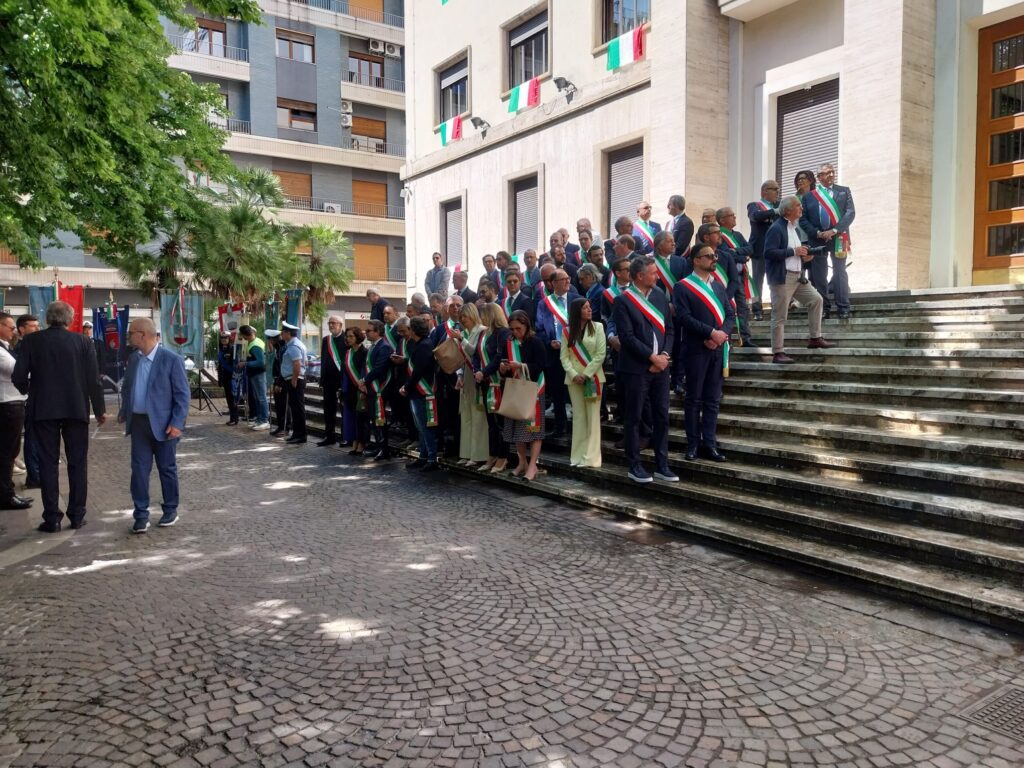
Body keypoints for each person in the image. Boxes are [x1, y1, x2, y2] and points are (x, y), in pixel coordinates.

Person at [12, 301, 105, 532]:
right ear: (70, 320)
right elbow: (93, 378)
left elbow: (19, 375)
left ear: (47, 319)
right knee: (77, 463)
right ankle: (76, 515)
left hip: (43, 408)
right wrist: (99, 409)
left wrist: (29, 391)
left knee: (48, 463)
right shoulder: (83, 341)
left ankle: (52, 517)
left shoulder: (31, 341)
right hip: (76, 408)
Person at [118, 318, 189, 533]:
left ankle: (170, 509)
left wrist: (177, 423)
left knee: (167, 469)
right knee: (139, 471)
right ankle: (141, 514)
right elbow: (128, 388)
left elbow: (183, 395)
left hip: (165, 425)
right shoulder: (134, 359)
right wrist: (124, 411)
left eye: (131, 333)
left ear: (143, 334)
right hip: (139, 424)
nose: (128, 337)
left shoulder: (171, 360)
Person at [611, 257, 676, 484]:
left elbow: (669, 330)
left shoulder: (659, 296)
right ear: (640, 276)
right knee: (634, 417)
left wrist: (664, 356)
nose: (657, 276)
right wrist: (651, 357)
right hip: (636, 368)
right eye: (653, 273)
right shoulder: (623, 301)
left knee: (661, 417)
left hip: (661, 368)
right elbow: (626, 338)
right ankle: (635, 465)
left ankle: (662, 464)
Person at [673, 244, 735, 462]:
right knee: (693, 399)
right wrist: (710, 333)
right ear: (696, 260)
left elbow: (730, 314)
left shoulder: (718, 286)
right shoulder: (682, 287)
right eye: (709, 256)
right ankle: (693, 444)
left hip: (717, 349)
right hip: (696, 349)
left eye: (714, 255)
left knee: (712, 400)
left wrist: (721, 335)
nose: (713, 258)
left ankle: (709, 444)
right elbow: (684, 317)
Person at [764, 196, 836, 363]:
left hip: (798, 277)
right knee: (780, 315)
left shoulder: (794, 229)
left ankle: (815, 338)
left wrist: (805, 256)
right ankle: (778, 352)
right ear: (788, 210)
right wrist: (794, 252)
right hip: (783, 278)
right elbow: (769, 253)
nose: (801, 209)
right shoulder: (776, 228)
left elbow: (795, 253)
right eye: (798, 206)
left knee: (816, 300)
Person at [800, 162, 855, 319]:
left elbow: (850, 213)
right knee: (819, 274)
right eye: (827, 173)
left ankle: (843, 306)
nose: (831, 174)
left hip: (839, 237)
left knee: (840, 272)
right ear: (819, 177)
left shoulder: (844, 192)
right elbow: (803, 220)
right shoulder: (809, 197)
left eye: (832, 172)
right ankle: (824, 307)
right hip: (817, 239)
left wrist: (834, 230)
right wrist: (817, 233)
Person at [500, 310, 548, 481]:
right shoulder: (509, 343)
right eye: (512, 329)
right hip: (516, 389)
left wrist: (520, 366)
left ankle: (533, 465)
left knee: (533, 430)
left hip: (533, 389)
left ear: (526, 326)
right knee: (517, 430)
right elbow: (504, 362)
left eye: (518, 328)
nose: (515, 332)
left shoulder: (536, 342)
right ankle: (522, 462)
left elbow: (541, 365)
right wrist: (504, 368)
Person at [560, 298, 606, 468]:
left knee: (593, 418)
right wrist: (573, 374)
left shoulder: (598, 327)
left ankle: (591, 458)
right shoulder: (566, 331)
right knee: (578, 417)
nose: (589, 310)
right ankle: (577, 456)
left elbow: (600, 354)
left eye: (589, 307)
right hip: (574, 380)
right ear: (577, 310)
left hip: (593, 378)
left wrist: (586, 374)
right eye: (585, 307)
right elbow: (564, 357)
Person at [534, 268, 579, 439]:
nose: (568, 281)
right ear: (553, 284)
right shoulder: (544, 303)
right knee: (558, 393)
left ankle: (578, 429)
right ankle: (561, 427)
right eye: (563, 279)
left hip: (575, 352)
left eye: (568, 278)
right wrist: (548, 342)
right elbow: (539, 328)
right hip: (554, 353)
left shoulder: (576, 299)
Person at [472, 303, 510, 473]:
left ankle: (503, 456)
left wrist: (484, 372)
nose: (480, 318)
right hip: (486, 383)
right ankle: (493, 453)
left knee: (500, 422)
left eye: (483, 315)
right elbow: (476, 355)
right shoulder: (483, 333)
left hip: (498, 383)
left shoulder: (503, 333)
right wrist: (477, 371)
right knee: (491, 423)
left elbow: (499, 356)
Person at [401, 315, 441, 472]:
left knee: (426, 427)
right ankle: (423, 456)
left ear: (414, 330)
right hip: (416, 392)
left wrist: (407, 386)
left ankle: (432, 458)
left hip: (422, 391)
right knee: (421, 427)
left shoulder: (425, 345)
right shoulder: (418, 343)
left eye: (409, 328)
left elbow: (418, 371)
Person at [0, 312, 31, 511]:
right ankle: (5, 495)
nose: (13, 332)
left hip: (12, 403)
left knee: (9, 452)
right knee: (6, 453)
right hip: (8, 404)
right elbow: (19, 371)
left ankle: (7, 491)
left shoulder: (6, 348)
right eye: (10, 328)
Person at [456, 303, 488, 468]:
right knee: (466, 417)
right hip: (466, 377)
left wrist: (462, 339)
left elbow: (475, 352)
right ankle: (466, 453)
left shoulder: (482, 330)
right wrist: (459, 375)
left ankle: (478, 454)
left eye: (465, 317)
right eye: (461, 317)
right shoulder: (464, 332)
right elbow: (461, 358)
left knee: (477, 417)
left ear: (473, 315)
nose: (463, 320)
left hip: (477, 377)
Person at [716, 207, 754, 346]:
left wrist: (737, 252)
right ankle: (729, 337)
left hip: (741, 275)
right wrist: (743, 257)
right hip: (727, 277)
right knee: (728, 307)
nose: (734, 217)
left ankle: (746, 337)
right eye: (731, 215)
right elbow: (726, 254)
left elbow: (750, 249)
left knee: (743, 307)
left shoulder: (737, 235)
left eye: (734, 214)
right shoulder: (719, 235)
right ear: (722, 220)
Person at [747, 180, 781, 321]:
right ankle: (757, 309)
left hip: (776, 249)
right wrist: (774, 212)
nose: (777, 193)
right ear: (764, 191)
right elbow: (756, 216)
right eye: (775, 189)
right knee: (757, 281)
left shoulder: (780, 207)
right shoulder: (754, 205)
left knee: (776, 280)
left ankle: (777, 307)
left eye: (778, 190)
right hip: (760, 249)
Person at [359, 320, 394, 460]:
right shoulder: (373, 346)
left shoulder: (384, 347)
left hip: (380, 388)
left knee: (380, 419)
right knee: (374, 419)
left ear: (378, 332)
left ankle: (384, 449)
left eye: (368, 331)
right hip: (371, 388)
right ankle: (379, 446)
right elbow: (366, 366)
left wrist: (364, 381)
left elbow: (379, 368)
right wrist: (363, 381)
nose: (366, 333)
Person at [15, 314, 40, 489]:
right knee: (31, 438)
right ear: (22, 329)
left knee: (33, 438)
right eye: (33, 326)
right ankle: (34, 475)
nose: (37, 329)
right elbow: (19, 374)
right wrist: (27, 392)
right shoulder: (22, 346)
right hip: (23, 398)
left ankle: (35, 473)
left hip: (26, 397)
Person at [340, 327, 369, 455]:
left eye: (351, 336)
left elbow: (365, 370)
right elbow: (344, 372)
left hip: (360, 388)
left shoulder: (364, 352)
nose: (348, 338)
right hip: (349, 389)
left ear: (358, 337)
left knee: (361, 418)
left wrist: (363, 389)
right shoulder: (348, 352)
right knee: (351, 416)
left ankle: (362, 442)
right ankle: (354, 441)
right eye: (347, 336)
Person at [317, 316, 345, 447]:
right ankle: (329, 435)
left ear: (341, 325)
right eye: (329, 323)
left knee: (345, 410)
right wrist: (321, 379)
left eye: (333, 323)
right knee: (328, 410)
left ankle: (346, 436)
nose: (331, 325)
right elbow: (324, 361)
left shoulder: (347, 339)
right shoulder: (326, 340)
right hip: (328, 381)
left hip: (342, 380)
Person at [279, 322, 308, 444]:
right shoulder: (294, 344)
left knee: (297, 408)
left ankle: (300, 435)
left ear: (288, 333)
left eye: (283, 332)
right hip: (294, 378)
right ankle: (297, 433)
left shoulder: (294, 346)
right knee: (296, 407)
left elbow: (297, 364)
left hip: (295, 379)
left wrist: (294, 380)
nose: (281, 334)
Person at [238, 326, 269, 430]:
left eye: (241, 334)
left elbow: (261, 362)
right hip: (255, 374)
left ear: (245, 334)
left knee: (261, 398)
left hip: (258, 374)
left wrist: (245, 363)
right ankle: (259, 419)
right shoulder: (255, 342)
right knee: (258, 398)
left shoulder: (254, 345)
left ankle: (264, 420)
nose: (241, 336)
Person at [266, 330, 289, 436]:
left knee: (283, 405)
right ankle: (280, 426)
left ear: (273, 339)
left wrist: (279, 383)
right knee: (279, 405)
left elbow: (282, 368)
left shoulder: (283, 348)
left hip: (282, 381)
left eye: (270, 340)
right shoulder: (278, 348)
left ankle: (285, 427)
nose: (269, 342)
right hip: (278, 380)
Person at [216, 332, 238, 425]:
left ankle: (235, 418)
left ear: (229, 339)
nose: (224, 340)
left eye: (226, 338)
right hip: (225, 377)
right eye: (222, 338)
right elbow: (220, 366)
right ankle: (232, 418)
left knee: (232, 398)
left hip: (231, 377)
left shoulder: (232, 349)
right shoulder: (221, 350)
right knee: (229, 399)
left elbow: (235, 363)